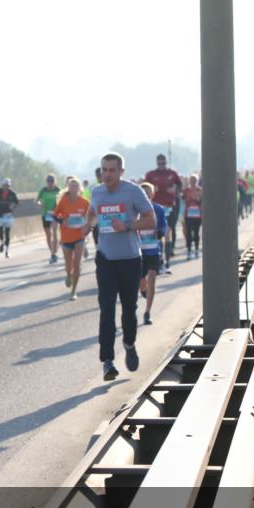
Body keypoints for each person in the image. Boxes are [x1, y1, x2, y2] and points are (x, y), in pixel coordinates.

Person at [82, 152, 156, 381]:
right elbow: (92, 214)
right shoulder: (97, 192)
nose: (107, 174)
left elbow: (150, 220)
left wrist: (127, 226)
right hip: (105, 259)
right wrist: (87, 227)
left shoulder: (133, 192)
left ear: (121, 172)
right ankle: (107, 361)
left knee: (129, 308)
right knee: (106, 309)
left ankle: (129, 344)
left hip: (130, 259)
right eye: (104, 170)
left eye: (112, 170)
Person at [53, 176, 90, 300]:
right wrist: (62, 221)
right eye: (71, 186)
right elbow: (54, 215)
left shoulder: (85, 203)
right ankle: (68, 274)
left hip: (79, 237)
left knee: (77, 263)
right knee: (69, 264)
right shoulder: (63, 200)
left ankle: (74, 291)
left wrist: (87, 230)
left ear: (80, 188)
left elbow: (89, 219)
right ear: (68, 188)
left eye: (76, 186)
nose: (74, 188)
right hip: (66, 237)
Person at [144, 154, 182, 275]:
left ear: (166, 162)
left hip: (169, 206)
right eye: (160, 163)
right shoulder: (151, 175)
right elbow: (143, 189)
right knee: (157, 235)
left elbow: (180, 185)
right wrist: (152, 190)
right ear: (157, 163)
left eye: (164, 163)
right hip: (155, 208)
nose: (162, 165)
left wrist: (175, 190)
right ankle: (159, 262)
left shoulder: (172, 173)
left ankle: (167, 263)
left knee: (167, 233)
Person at [137, 182, 168, 325]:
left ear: (152, 194)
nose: (146, 195)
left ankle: (147, 312)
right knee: (142, 283)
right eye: (143, 192)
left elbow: (163, 226)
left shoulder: (158, 209)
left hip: (154, 250)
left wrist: (159, 232)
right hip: (138, 251)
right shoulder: (135, 210)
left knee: (152, 279)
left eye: (148, 192)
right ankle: (144, 291)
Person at [36, 174, 61, 263]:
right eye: (48, 181)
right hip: (45, 214)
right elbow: (37, 200)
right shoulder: (43, 190)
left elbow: (63, 200)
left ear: (54, 182)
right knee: (48, 235)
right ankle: (52, 253)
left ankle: (54, 253)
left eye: (52, 181)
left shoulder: (58, 190)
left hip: (55, 214)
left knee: (54, 233)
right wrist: (40, 204)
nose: (50, 183)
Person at [0, 178, 19, 257]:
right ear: (2, 185)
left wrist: (13, 205)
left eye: (8, 186)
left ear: (10, 186)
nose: (6, 187)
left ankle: (7, 251)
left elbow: (17, 203)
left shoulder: (12, 193)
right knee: (0, 233)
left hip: (8, 215)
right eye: (5, 186)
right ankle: (2, 242)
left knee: (7, 233)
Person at [182, 174, 203, 259]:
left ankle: (197, 250)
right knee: (189, 233)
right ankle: (189, 251)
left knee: (196, 233)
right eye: (192, 180)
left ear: (197, 181)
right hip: (188, 214)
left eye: (195, 180)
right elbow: (183, 199)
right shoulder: (186, 190)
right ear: (190, 181)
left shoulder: (200, 190)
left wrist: (198, 200)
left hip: (198, 215)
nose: (193, 182)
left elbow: (202, 200)